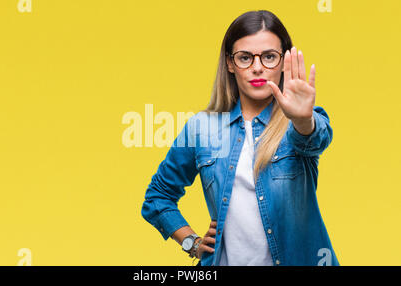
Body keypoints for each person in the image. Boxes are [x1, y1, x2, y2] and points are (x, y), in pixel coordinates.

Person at [141, 10, 339, 266]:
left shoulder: (300, 123)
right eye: (245, 57)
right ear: (230, 63)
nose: (257, 67)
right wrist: (192, 242)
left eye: (269, 57)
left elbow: (315, 138)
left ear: (284, 61)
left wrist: (302, 119)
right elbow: (158, 196)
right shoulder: (202, 128)